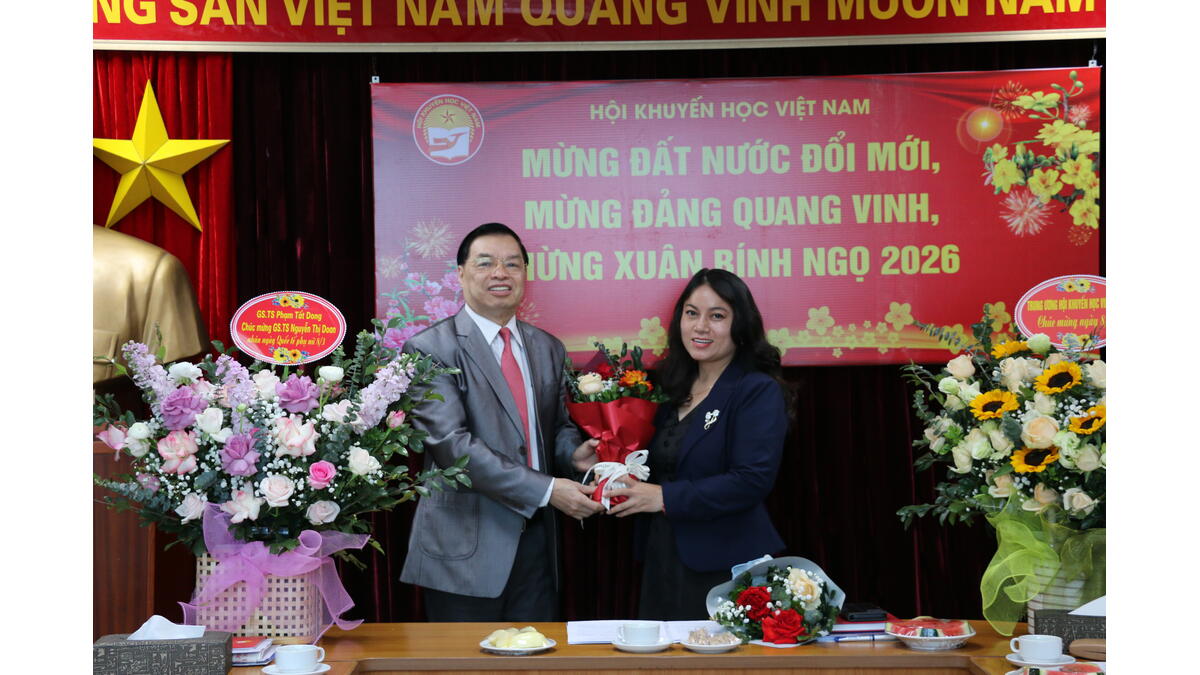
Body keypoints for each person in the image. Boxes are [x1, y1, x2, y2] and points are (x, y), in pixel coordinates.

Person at [399, 222, 603, 621]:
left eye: (512, 264)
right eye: (486, 263)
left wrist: (574, 454)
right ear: (461, 274)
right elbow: (451, 447)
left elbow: (556, 427)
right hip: (464, 552)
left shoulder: (547, 347)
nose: (500, 273)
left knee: (537, 653)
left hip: (538, 546)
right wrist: (547, 490)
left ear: (525, 274)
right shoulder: (429, 349)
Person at [605, 268, 790, 620]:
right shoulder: (671, 388)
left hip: (726, 565)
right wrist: (604, 461)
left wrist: (664, 497)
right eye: (692, 313)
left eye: (717, 316)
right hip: (661, 557)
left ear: (740, 325)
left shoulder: (756, 390)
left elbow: (751, 480)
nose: (700, 326)